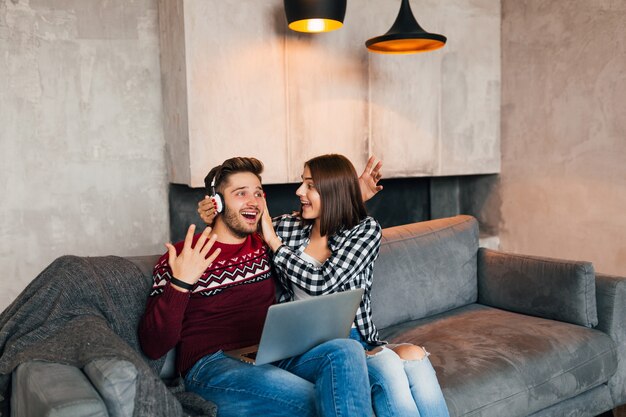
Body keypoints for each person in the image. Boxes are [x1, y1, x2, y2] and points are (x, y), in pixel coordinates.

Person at [198, 154, 450, 417]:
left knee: (414, 356)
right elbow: (239, 223)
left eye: (309, 185)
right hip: (301, 342)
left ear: (332, 192)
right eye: (301, 183)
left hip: (352, 337)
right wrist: (214, 211)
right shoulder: (288, 227)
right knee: (387, 365)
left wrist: (277, 245)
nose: (299, 191)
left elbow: (324, 283)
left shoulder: (363, 230)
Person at [139, 157, 372, 417]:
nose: (253, 201)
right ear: (216, 202)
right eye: (241, 193)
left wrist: (354, 193)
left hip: (273, 354)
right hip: (213, 365)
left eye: (258, 193)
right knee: (317, 400)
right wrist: (180, 284)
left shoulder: (265, 243)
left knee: (347, 349)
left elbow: (326, 218)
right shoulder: (184, 256)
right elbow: (153, 345)